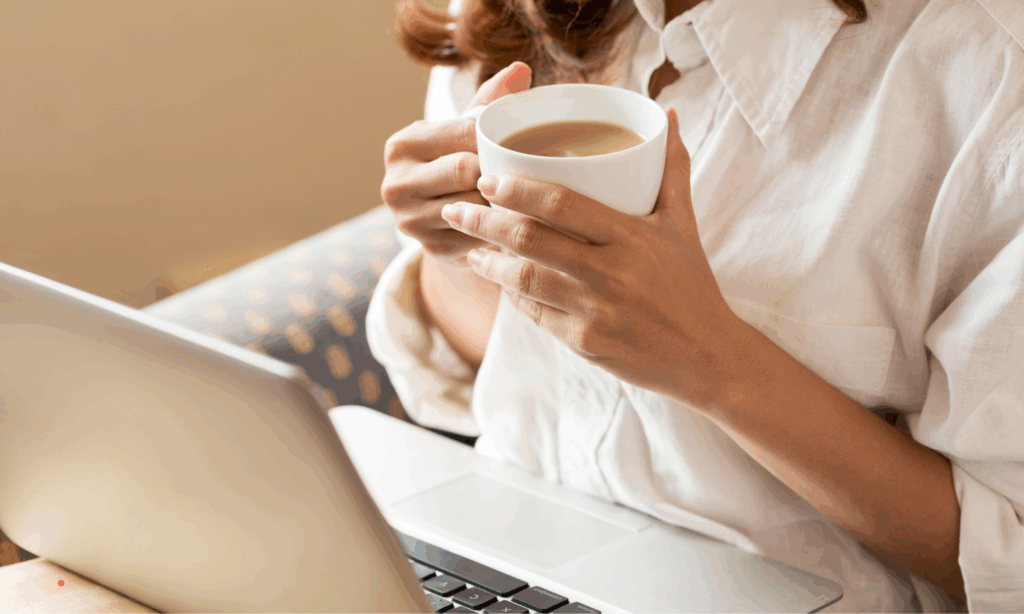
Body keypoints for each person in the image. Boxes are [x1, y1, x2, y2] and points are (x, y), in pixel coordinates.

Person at [370, 0, 1024, 610]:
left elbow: (1007, 561)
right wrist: (455, 246)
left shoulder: (989, 78)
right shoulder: (511, 15)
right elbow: (490, 356)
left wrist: (713, 361)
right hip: (502, 558)